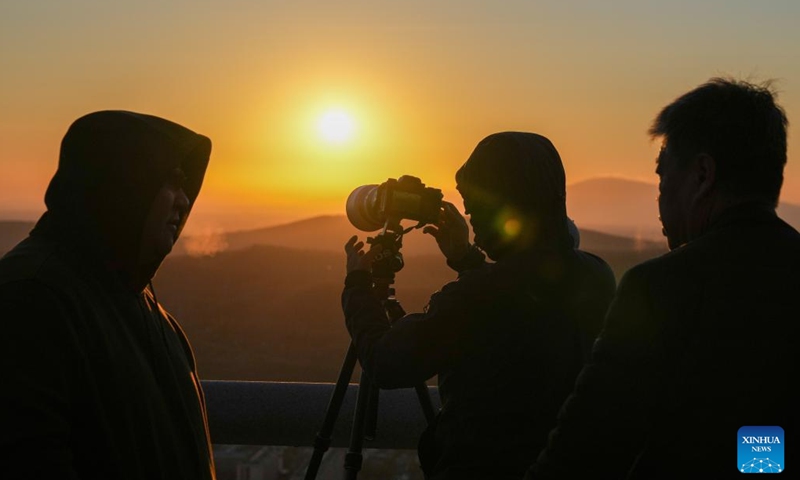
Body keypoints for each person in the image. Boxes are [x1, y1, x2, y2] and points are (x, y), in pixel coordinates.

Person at [525, 78, 800, 479]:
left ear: (703, 175)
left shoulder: (661, 289)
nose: (659, 194)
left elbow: (585, 449)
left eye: (662, 174)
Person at [343, 132, 616, 479]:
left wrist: (357, 286)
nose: (470, 217)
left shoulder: (474, 298)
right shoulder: (596, 274)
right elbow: (523, 298)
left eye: (475, 207)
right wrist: (466, 257)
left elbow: (385, 361)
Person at [0, 111, 216, 479]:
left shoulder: (144, 305)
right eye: (171, 182)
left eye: (187, 186)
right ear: (124, 184)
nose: (184, 201)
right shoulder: (30, 296)